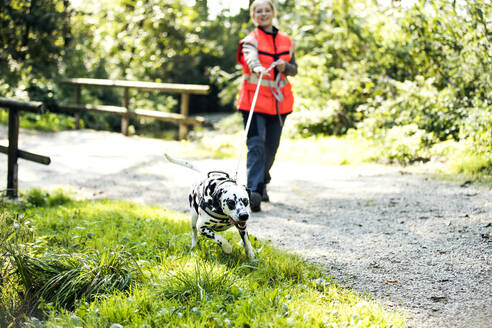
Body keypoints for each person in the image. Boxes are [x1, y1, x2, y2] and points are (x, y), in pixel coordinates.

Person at [236, 0, 297, 212]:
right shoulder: (250, 40)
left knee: (271, 150)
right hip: (252, 102)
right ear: (253, 16)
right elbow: (250, 58)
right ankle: (253, 191)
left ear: (273, 13)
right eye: (258, 11)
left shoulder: (286, 41)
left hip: (279, 105)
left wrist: (285, 66)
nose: (263, 14)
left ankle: (262, 182)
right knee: (256, 146)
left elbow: (294, 69)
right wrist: (257, 67)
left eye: (267, 10)